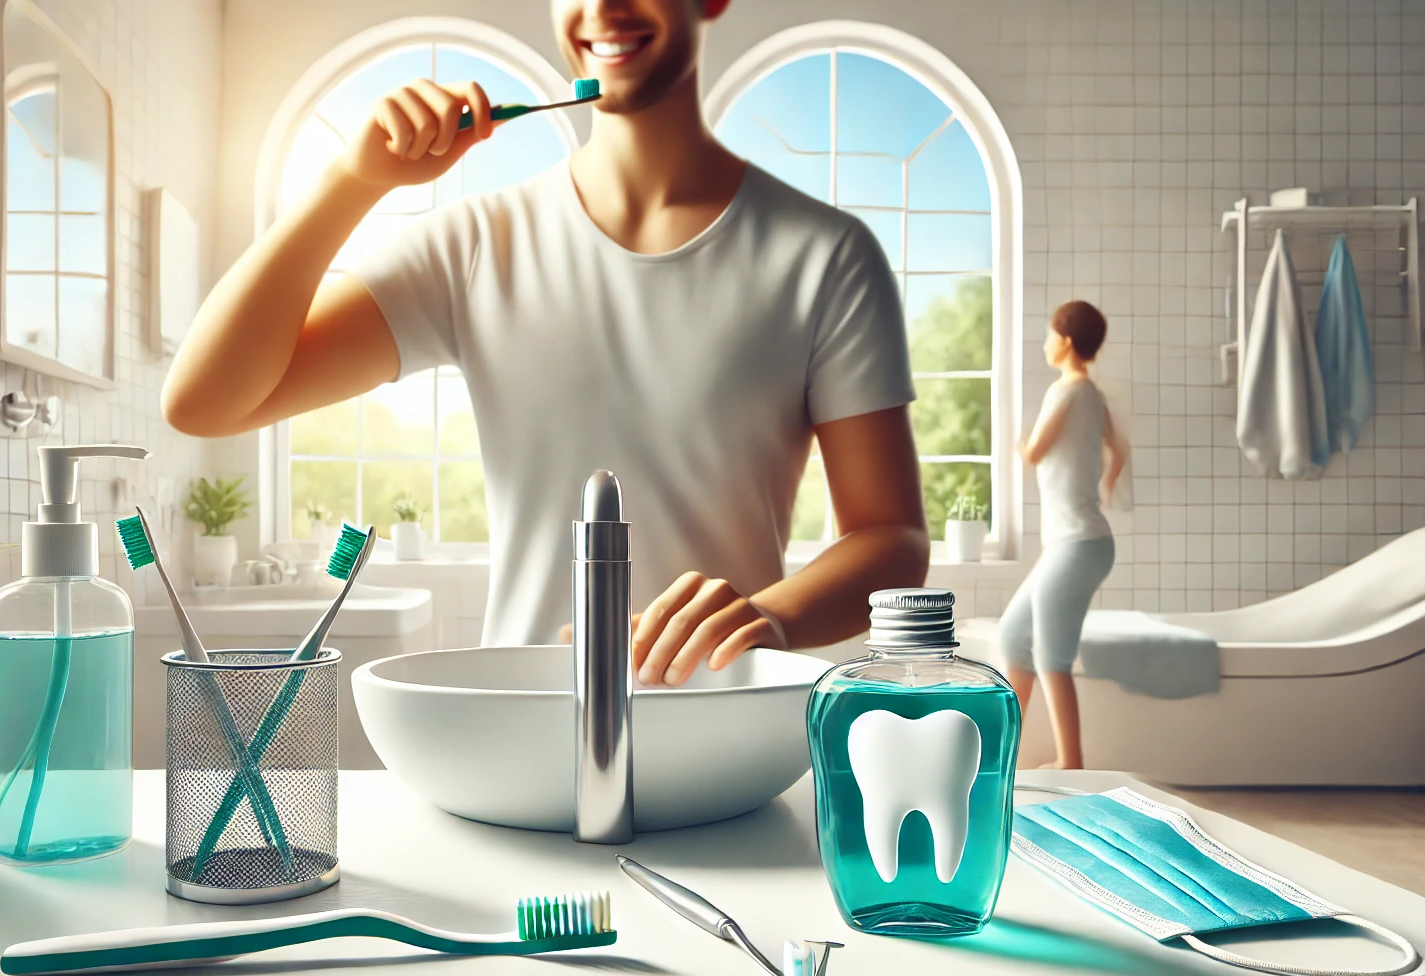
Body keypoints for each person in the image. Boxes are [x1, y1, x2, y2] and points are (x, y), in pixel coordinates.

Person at [163, 0, 930, 684]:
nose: (604, 6)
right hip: (526, 724)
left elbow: (890, 536)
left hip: (732, 727)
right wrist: (353, 181)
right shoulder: (472, 245)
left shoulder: (825, 254)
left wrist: (774, 619)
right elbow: (206, 401)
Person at [1000, 300, 1129, 768]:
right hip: (1077, 542)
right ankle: (1006, 756)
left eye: (1049, 334)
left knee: (1052, 655)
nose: (1044, 342)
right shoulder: (1092, 393)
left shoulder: (1068, 390)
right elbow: (1118, 447)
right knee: (1015, 635)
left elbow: (1033, 452)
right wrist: (1107, 480)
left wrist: (1011, 435)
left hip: (1077, 543)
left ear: (1067, 341)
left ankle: (1070, 764)